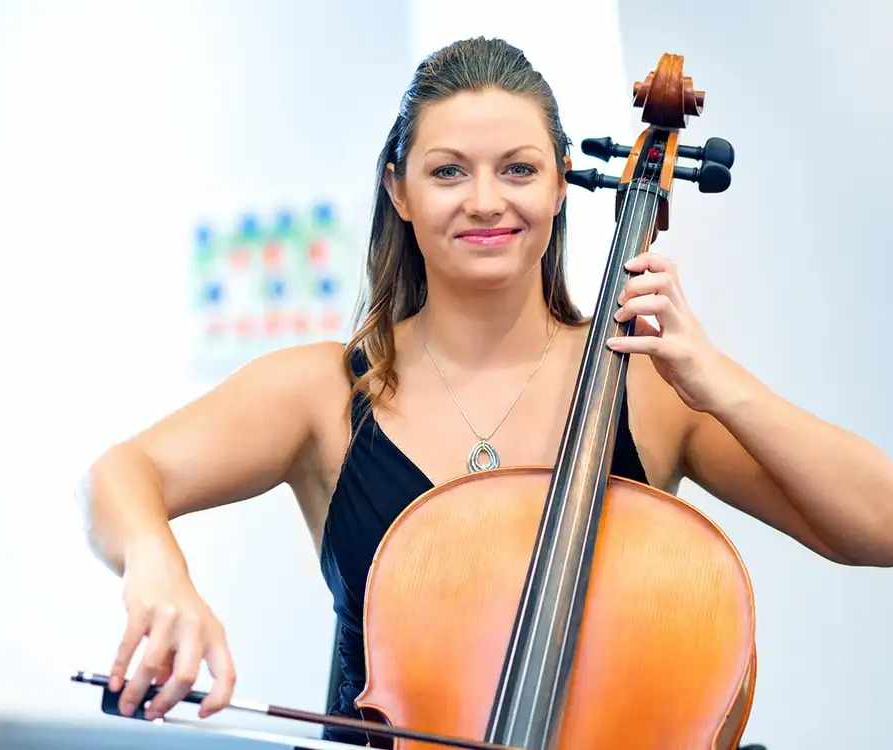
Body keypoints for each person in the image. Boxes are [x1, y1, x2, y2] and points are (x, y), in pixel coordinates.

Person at [77, 36, 893, 746]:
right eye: (448, 172)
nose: (485, 201)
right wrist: (157, 567)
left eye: (518, 169)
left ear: (561, 185)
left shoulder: (648, 388)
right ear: (399, 190)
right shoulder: (322, 394)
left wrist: (722, 385)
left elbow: (880, 526)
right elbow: (120, 474)